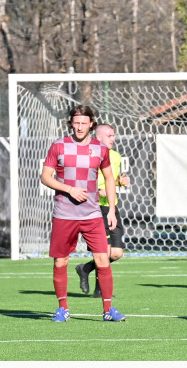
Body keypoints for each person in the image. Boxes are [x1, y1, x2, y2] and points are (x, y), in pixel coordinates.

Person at [41, 105, 125, 322]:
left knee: (103, 259)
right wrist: (69, 189)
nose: (80, 127)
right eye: (76, 123)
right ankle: (63, 309)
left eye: (84, 123)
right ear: (71, 123)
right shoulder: (58, 146)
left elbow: (109, 179)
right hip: (64, 214)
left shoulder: (100, 149)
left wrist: (112, 211)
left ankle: (108, 311)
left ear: (91, 124)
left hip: (92, 215)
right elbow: (46, 177)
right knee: (61, 261)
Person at [76, 124, 130, 298]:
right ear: (98, 138)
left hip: (111, 207)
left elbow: (111, 180)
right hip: (93, 207)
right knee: (103, 250)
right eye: (109, 135)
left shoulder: (115, 156)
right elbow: (80, 180)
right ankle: (101, 291)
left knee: (116, 252)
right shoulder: (87, 155)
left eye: (113, 135)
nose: (112, 139)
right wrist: (96, 192)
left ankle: (85, 268)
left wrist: (120, 182)